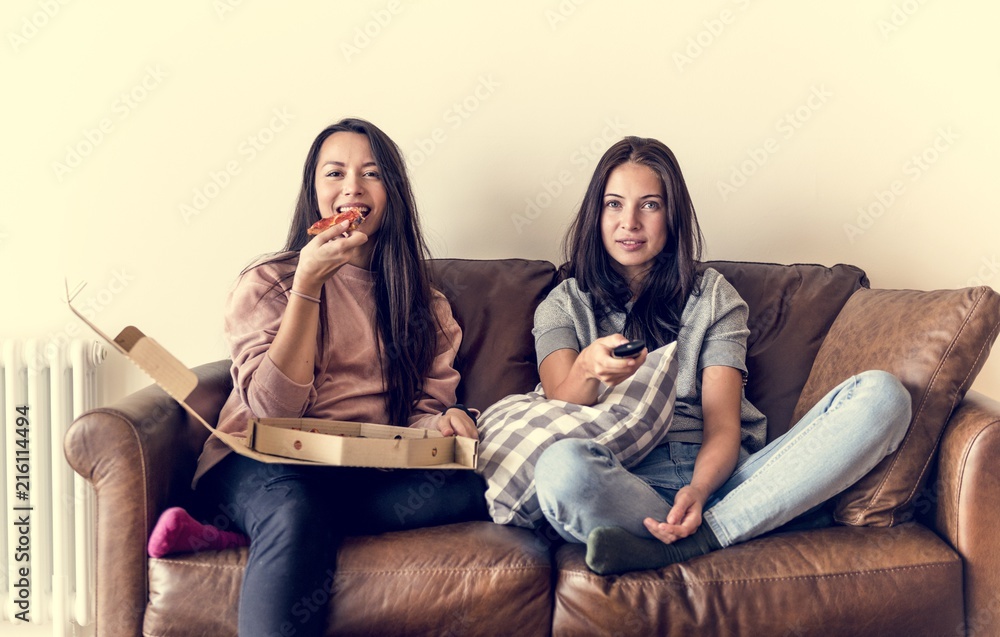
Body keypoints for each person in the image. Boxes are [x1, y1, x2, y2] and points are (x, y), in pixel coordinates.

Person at [149, 118, 486, 636]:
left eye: (371, 174)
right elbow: (270, 412)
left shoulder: (427, 306)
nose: (352, 186)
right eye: (335, 173)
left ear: (391, 194)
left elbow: (422, 413)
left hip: (360, 472)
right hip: (259, 461)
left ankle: (233, 532)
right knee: (296, 509)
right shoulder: (268, 283)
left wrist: (442, 427)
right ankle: (262, 523)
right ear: (314, 192)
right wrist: (307, 286)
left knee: (483, 489)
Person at [530, 136, 912, 576]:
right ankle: (755, 519)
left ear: (672, 215)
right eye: (614, 204)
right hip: (625, 480)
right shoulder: (562, 305)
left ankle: (702, 535)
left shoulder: (712, 296)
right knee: (560, 468)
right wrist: (586, 368)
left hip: (723, 479)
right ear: (596, 214)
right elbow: (560, 402)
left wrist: (698, 490)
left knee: (883, 396)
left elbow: (723, 424)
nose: (629, 222)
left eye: (649, 205)